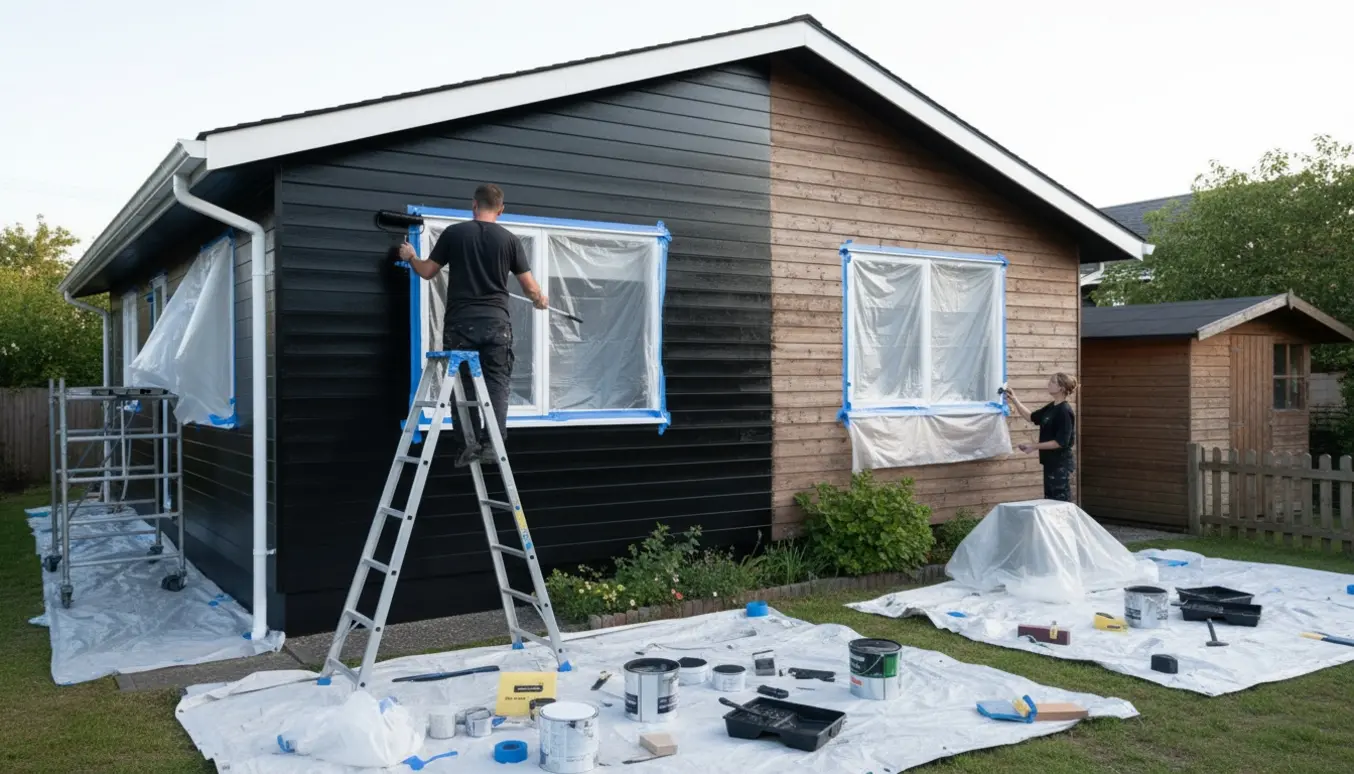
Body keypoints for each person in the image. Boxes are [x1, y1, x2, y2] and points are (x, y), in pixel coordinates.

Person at [399, 184, 548, 466]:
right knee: (497, 384)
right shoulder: (510, 241)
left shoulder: (455, 233)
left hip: (461, 324)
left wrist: (411, 257)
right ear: (501, 209)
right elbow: (529, 287)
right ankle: (493, 444)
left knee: (462, 385)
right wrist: (540, 299)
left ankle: (468, 446)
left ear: (474, 205)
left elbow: (428, 272)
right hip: (496, 325)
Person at [1004, 373, 1077, 502]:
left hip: (1060, 464)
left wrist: (1033, 446)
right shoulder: (1052, 407)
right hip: (1049, 462)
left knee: (1059, 503)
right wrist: (1014, 398)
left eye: (1052, 382)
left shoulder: (1064, 411)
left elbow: (1060, 442)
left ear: (1061, 388)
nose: (1048, 384)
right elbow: (1030, 417)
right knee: (1050, 501)